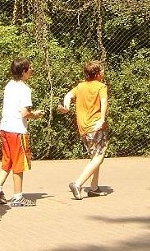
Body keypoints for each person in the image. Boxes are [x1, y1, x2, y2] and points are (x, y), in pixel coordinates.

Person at [0, 58, 44, 207]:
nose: (32, 70)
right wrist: (35, 114)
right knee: (18, 163)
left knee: (8, 160)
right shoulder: (25, 89)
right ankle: (18, 197)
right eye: (30, 68)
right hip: (17, 130)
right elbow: (24, 113)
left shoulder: (9, 85)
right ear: (23, 71)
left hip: (5, 128)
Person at [58, 61, 109, 200]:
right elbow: (104, 102)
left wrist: (66, 107)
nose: (103, 73)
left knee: (95, 157)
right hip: (96, 127)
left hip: (84, 128)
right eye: (102, 71)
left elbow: (68, 95)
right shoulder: (101, 86)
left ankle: (94, 188)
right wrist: (102, 119)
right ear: (98, 74)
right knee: (99, 157)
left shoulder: (80, 86)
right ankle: (78, 183)